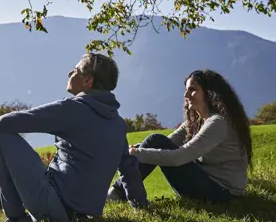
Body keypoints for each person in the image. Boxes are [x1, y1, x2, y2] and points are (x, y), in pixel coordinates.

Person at [0, 53, 148, 222]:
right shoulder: (118, 123)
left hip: (54, 207)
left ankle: (15, 220)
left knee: (1, 134)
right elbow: (129, 168)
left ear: (87, 81)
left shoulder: (73, 109)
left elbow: (19, 120)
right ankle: (24, 218)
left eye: (75, 70)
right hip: (83, 215)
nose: (70, 73)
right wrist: (140, 205)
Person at [107, 69, 252, 203]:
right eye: (186, 90)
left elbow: (178, 157)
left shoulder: (218, 123)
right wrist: (138, 148)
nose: (186, 95)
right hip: (207, 184)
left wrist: (137, 153)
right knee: (155, 140)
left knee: (155, 140)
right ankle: (117, 193)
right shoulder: (197, 121)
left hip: (223, 194)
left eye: (193, 90)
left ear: (209, 93)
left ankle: (116, 193)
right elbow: (165, 143)